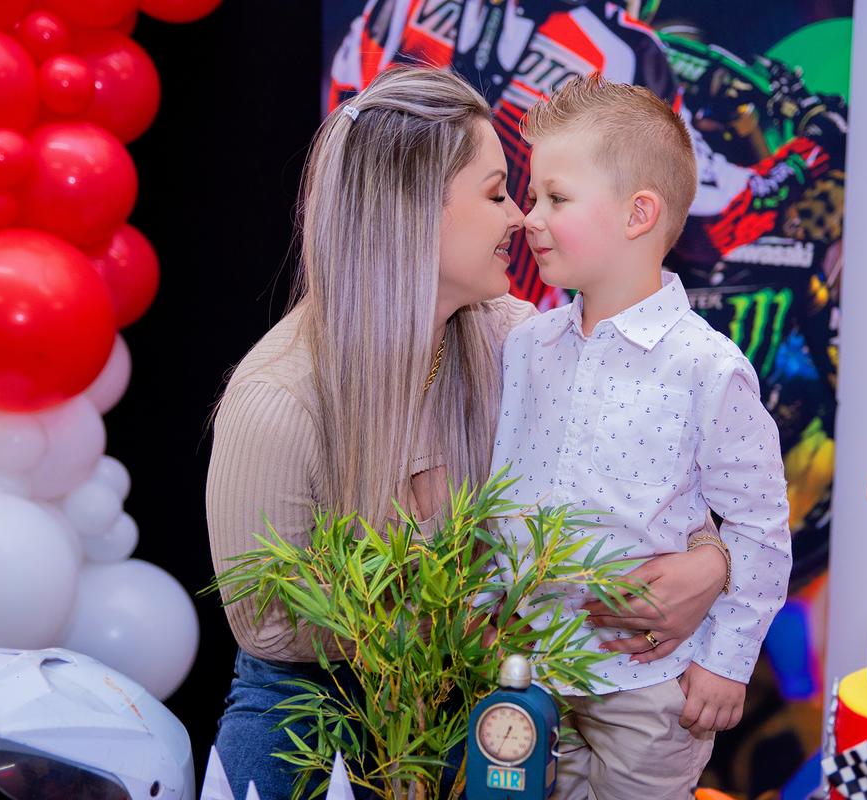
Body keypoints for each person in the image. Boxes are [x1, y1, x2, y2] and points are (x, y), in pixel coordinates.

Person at [205, 66, 730, 800]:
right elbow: (268, 624)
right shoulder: (277, 399)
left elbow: (648, 484)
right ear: (412, 214)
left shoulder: (523, 341)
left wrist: (712, 561)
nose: (521, 218)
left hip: (477, 687)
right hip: (318, 701)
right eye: (496, 194)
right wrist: (444, 627)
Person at [488, 75, 793, 799]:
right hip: (529, 670)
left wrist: (727, 659)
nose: (530, 219)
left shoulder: (706, 367)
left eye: (555, 199)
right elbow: (501, 490)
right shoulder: (529, 346)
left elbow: (757, 522)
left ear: (638, 214)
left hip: (651, 685)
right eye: (533, 199)